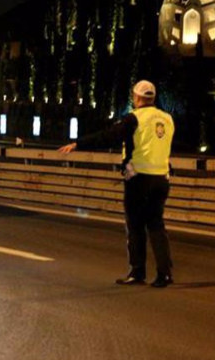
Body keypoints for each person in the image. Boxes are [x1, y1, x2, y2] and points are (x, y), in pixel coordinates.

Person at [58, 80, 175, 288]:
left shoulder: (134, 118)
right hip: (162, 179)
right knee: (156, 225)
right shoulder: (167, 119)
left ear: (137, 98)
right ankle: (164, 274)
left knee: (136, 226)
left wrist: (79, 143)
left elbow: (109, 136)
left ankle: (137, 272)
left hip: (139, 179)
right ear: (153, 98)